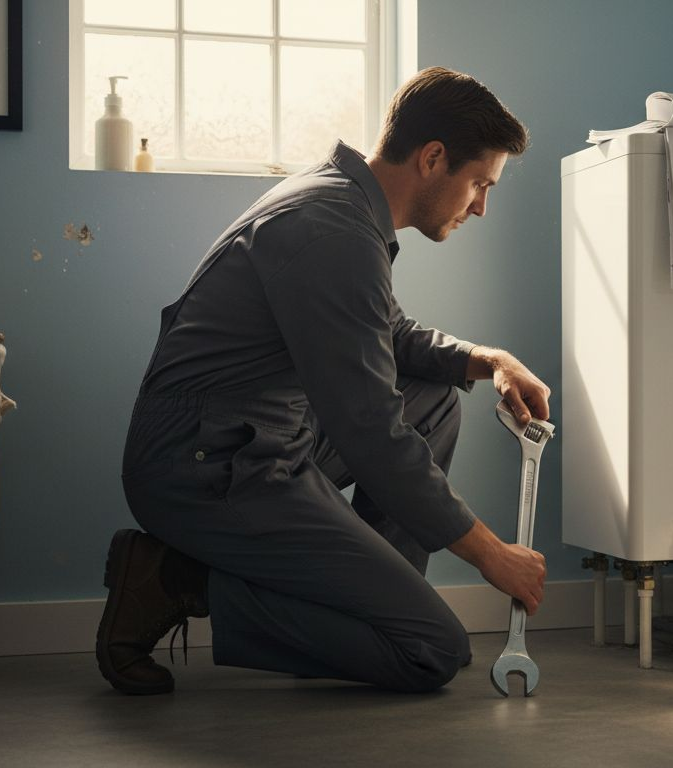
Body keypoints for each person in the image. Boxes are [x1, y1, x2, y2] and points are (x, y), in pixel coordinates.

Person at [96, 67, 550, 695]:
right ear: (433, 158)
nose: (481, 205)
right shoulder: (331, 229)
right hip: (203, 467)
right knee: (428, 650)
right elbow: (369, 430)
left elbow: (386, 334)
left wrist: (488, 359)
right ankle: (173, 580)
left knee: (433, 399)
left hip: (252, 438)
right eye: (479, 183)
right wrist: (490, 554)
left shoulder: (343, 202)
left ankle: (382, 596)